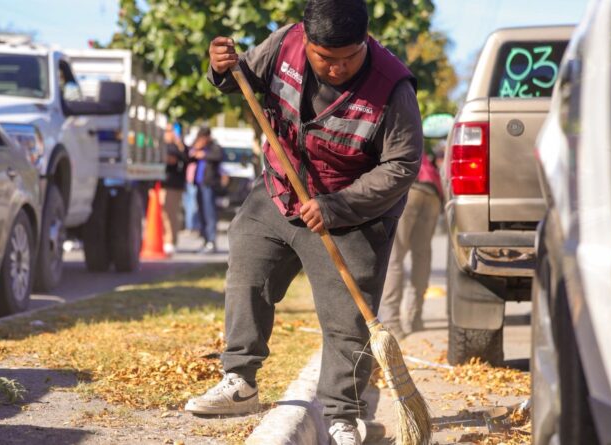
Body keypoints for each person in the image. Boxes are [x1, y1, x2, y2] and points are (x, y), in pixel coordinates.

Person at [184, 1, 423, 444]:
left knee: (346, 319)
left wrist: (336, 206)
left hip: (353, 213)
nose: (335, 69)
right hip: (279, 190)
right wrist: (221, 69)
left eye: (348, 59)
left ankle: (343, 414)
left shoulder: (393, 87)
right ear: (307, 41)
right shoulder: (285, 42)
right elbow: (244, 78)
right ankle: (240, 381)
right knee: (247, 273)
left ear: (366, 42)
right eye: (324, 58)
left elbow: (402, 165)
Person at [378, 150, 443, 339]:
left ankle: (392, 323)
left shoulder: (387, 126)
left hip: (409, 188)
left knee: (394, 257)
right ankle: (416, 318)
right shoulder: (413, 130)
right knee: (421, 255)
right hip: (432, 192)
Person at [188, 127, 223, 254]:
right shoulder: (198, 148)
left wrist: (204, 154)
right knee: (201, 214)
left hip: (209, 185)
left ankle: (211, 242)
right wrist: (196, 149)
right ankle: (205, 240)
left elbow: (218, 156)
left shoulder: (214, 147)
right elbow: (189, 156)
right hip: (199, 184)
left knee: (210, 214)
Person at [161, 125, 186, 254]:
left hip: (173, 186)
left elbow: (171, 160)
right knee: (164, 215)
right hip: (164, 185)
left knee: (171, 215)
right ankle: (166, 240)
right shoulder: (165, 146)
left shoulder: (176, 147)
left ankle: (170, 241)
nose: (166, 133)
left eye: (168, 131)